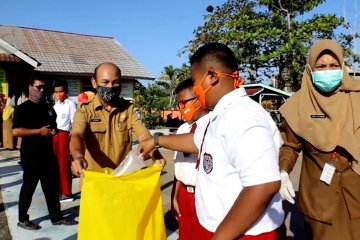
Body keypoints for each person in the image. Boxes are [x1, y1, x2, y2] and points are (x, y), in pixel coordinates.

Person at [139, 42, 284, 239]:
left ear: (212, 77)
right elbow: (195, 141)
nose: (195, 90)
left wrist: (221, 236)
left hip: (245, 233)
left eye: (195, 80)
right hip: (227, 228)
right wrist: (156, 140)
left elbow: (263, 185)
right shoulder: (222, 115)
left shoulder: (242, 116)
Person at [278, 39, 360, 240]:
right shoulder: (297, 105)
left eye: (333, 66)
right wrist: (283, 171)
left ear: (342, 67)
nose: (327, 71)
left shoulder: (357, 97)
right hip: (319, 200)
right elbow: (290, 145)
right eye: (321, 66)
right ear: (310, 69)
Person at [12, 74, 77, 230]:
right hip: (31, 156)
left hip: (48, 155)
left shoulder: (49, 108)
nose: (41, 90)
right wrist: (38, 132)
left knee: (51, 188)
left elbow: (52, 125)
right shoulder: (23, 109)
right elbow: (15, 131)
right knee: (28, 188)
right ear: (30, 88)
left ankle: (56, 217)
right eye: (38, 87)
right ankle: (22, 219)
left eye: (43, 87)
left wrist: (53, 132)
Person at [70, 62, 152, 176]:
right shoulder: (85, 110)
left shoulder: (128, 109)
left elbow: (144, 136)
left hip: (121, 179)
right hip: (95, 181)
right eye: (105, 82)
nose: (110, 86)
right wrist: (78, 156)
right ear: (94, 83)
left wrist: (154, 151)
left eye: (115, 82)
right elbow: (77, 135)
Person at [171, 78, 209, 240]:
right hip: (185, 195)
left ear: (199, 99)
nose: (181, 108)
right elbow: (178, 165)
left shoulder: (213, 125)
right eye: (179, 104)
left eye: (184, 102)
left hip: (206, 196)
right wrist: (175, 194)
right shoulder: (183, 129)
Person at [53, 80, 77, 202]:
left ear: (66, 91)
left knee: (64, 164)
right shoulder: (55, 105)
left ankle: (67, 193)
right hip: (55, 135)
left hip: (64, 135)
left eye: (61, 91)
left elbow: (74, 124)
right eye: (56, 92)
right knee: (55, 165)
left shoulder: (71, 104)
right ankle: (59, 191)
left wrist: (71, 140)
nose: (58, 94)